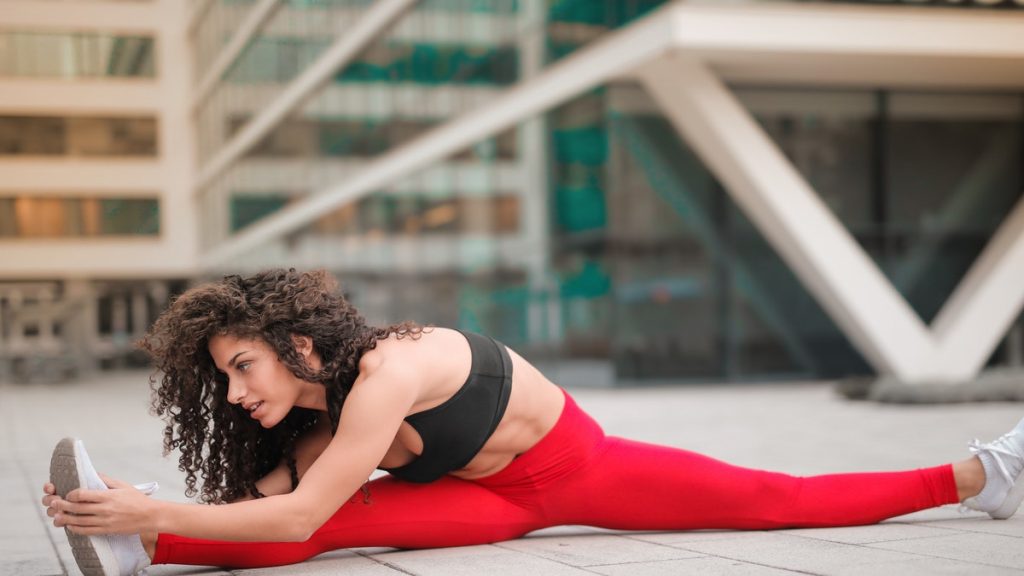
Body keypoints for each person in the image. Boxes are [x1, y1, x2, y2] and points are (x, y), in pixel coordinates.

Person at [42, 269, 1024, 576]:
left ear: (297, 341)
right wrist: (137, 513)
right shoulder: (320, 411)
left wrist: (146, 508)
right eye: (221, 379)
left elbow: (290, 515)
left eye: (240, 366)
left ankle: (981, 475)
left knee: (778, 501)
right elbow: (286, 505)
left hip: (576, 472)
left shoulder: (386, 371)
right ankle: (137, 542)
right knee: (317, 525)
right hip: (483, 501)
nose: (233, 392)